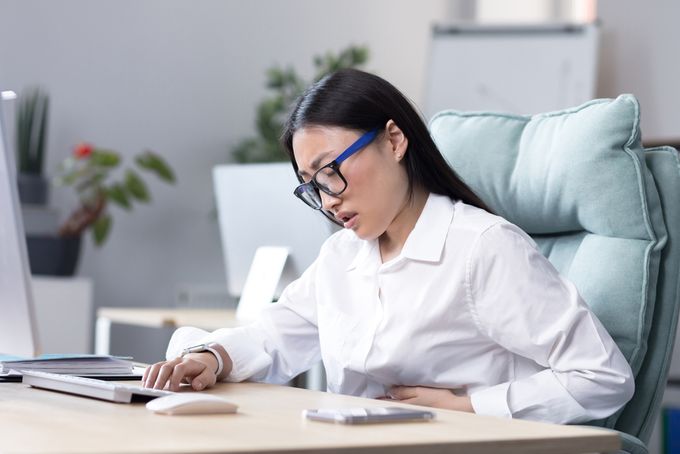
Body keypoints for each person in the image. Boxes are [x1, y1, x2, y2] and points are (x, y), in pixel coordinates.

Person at [142, 68, 634, 423]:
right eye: (312, 186)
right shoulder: (343, 257)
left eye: (332, 171)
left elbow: (603, 377)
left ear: (394, 140)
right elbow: (274, 336)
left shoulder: (483, 248)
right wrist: (211, 358)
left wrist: (469, 407)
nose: (328, 199)